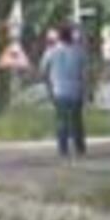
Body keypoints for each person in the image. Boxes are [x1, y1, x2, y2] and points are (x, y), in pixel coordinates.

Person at [43, 22, 88, 159]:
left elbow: (43, 69)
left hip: (59, 90)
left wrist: (49, 85)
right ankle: (79, 148)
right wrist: (86, 88)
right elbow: (84, 71)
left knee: (61, 120)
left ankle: (63, 149)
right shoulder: (79, 51)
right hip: (76, 90)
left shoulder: (51, 52)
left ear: (59, 37)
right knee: (77, 120)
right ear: (71, 36)